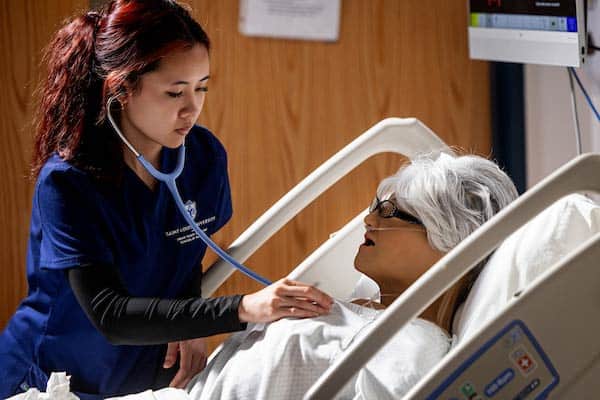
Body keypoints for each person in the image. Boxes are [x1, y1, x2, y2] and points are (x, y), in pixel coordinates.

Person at [0, 1, 333, 398]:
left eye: (201, 87)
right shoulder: (69, 182)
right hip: (53, 375)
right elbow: (110, 314)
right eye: (175, 92)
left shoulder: (203, 157)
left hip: (145, 373)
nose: (192, 108)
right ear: (121, 89)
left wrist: (190, 321)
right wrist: (243, 308)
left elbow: (185, 252)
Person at [178, 152, 519, 399]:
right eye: (375, 207)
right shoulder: (373, 315)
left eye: (390, 212)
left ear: (450, 241)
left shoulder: (411, 348)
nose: (369, 221)